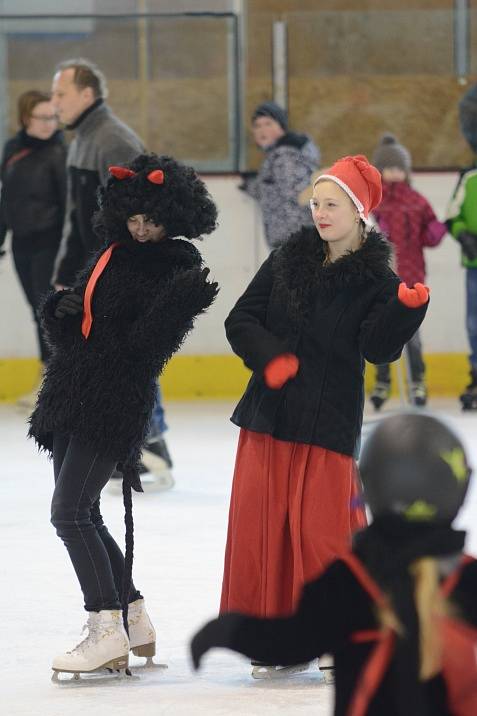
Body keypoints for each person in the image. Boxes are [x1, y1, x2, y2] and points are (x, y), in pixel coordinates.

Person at [218, 154, 430, 679]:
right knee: (264, 529)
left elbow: (378, 351)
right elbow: (241, 317)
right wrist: (269, 358)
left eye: (331, 204)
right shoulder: (289, 257)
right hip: (270, 414)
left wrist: (405, 310)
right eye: (315, 203)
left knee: (323, 533)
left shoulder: (376, 279)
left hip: (327, 419)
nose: (319, 213)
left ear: (358, 210)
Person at [28, 153, 219, 679]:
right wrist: (58, 312)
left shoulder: (175, 266)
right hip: (70, 391)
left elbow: (144, 351)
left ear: (173, 217)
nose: (140, 231)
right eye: (132, 220)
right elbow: (80, 327)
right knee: (83, 513)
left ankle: (105, 629)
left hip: (112, 400)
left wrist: (179, 307)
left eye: (152, 222)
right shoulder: (110, 254)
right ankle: (133, 617)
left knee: (68, 513)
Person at [191, 413, 477, 716]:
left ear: (370, 484)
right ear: (459, 489)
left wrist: (225, 631)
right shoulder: (467, 577)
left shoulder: (347, 581)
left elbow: (291, 642)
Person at [50, 56, 172, 485]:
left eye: (61, 94)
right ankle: (132, 445)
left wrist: (121, 275)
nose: (54, 102)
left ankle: (151, 444)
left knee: (127, 357)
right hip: (92, 270)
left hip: (116, 273)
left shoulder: (113, 139)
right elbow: (77, 214)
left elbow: (139, 214)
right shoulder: (84, 137)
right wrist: (69, 270)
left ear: (87, 95)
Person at [369, 134, 447, 410]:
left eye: (399, 168)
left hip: (412, 277)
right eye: (388, 168)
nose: (394, 174)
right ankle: (383, 381)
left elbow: (431, 235)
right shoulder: (374, 204)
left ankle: (417, 380)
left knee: (411, 332)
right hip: (381, 279)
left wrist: (439, 229)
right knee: (379, 330)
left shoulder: (417, 201)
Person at [0, 90, 66, 406]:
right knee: (34, 310)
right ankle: (47, 376)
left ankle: (54, 381)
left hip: (49, 242)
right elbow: (6, 199)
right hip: (21, 243)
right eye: (42, 118)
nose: (49, 124)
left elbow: (69, 205)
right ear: (26, 118)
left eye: (53, 117)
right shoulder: (12, 150)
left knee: (47, 310)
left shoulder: (60, 152)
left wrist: (69, 251)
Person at [240, 100, 320, 249]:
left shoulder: (286, 156)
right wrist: (253, 185)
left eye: (268, 123)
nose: (262, 130)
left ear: (281, 127)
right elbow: (275, 191)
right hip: (291, 237)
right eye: (257, 126)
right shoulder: (279, 155)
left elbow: (299, 194)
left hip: (296, 238)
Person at [447, 82, 477, 411]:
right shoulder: (469, 177)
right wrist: (464, 235)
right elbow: (452, 216)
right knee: (475, 323)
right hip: (475, 266)